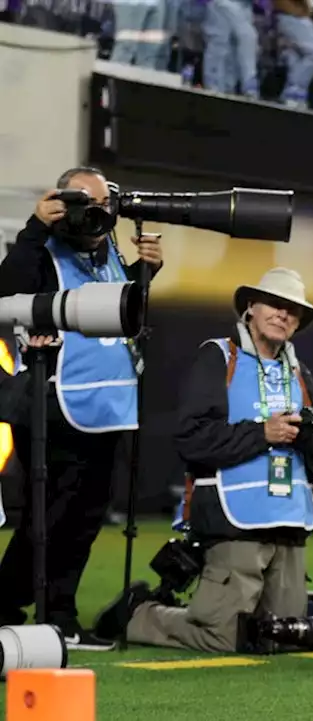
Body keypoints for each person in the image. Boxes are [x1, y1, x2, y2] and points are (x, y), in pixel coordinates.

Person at [95, 268, 313, 651]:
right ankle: (138, 614)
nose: (283, 315)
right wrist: (262, 433)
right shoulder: (217, 356)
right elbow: (192, 438)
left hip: (290, 519)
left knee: (283, 637)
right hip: (234, 519)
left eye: (293, 311)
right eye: (275, 305)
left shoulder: (300, 372)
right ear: (250, 308)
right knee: (222, 636)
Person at [0, 167, 163, 650]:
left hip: (107, 404)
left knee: (85, 519)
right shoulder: (44, 250)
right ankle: (19, 607)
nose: (91, 215)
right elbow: (8, 290)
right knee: (48, 519)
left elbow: (118, 309)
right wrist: (34, 227)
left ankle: (57, 613)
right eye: (80, 204)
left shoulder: (111, 248)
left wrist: (144, 273)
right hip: (53, 405)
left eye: (100, 205)